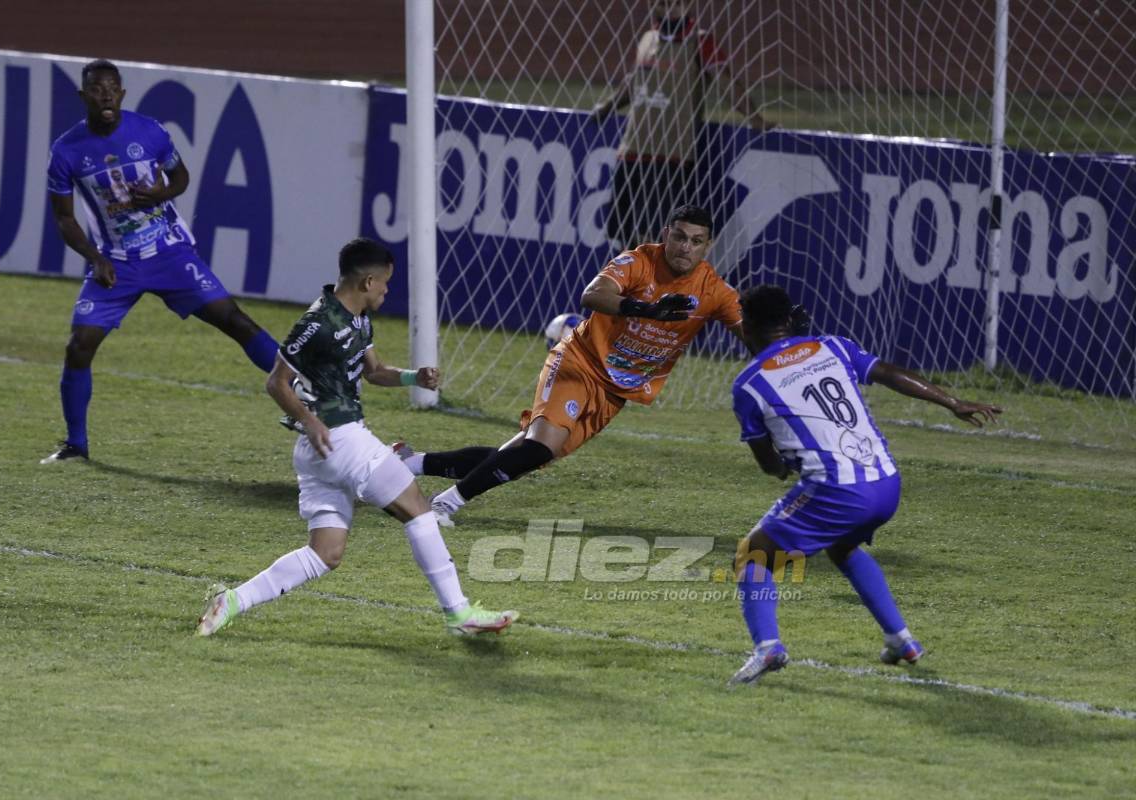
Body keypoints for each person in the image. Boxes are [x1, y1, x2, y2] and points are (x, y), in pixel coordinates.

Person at [196, 238, 517, 638]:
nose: (387, 290)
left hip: (321, 452)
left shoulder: (360, 318)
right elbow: (276, 383)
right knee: (417, 507)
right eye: (385, 283)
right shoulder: (318, 322)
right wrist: (309, 420)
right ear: (367, 281)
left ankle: (234, 601)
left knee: (325, 553)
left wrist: (412, 377)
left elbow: (374, 371)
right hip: (337, 437)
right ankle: (459, 613)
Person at [398, 205, 744, 526]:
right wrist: (646, 309)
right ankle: (445, 504)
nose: (686, 247)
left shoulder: (714, 291)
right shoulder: (639, 261)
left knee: (525, 456)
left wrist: (785, 334)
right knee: (538, 446)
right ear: (666, 233)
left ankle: (411, 463)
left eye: (696, 241)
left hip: (615, 391)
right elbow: (592, 294)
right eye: (680, 237)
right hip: (580, 361)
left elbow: (750, 331)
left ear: (707, 246)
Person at [726, 285, 1003, 685]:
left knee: (752, 554)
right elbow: (889, 372)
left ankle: (768, 648)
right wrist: (952, 403)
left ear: (745, 327)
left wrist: (784, 465)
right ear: (789, 320)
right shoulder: (833, 347)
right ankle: (901, 639)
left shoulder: (749, 385)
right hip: (886, 482)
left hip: (839, 491)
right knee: (842, 546)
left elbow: (769, 466)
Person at [42, 59, 280, 463]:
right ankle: (76, 444)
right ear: (83, 96)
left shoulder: (149, 131)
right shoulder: (66, 151)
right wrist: (94, 257)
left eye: (113, 88)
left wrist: (161, 195)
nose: (107, 95)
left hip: (169, 252)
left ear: (122, 93)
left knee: (234, 320)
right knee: (79, 347)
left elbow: (181, 177)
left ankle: (308, 387)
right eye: (98, 89)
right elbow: (64, 217)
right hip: (117, 262)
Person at [590, 2, 769, 250]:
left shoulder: (700, 41)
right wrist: (608, 107)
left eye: (677, 4)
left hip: (671, 156)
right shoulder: (648, 38)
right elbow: (635, 81)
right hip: (631, 152)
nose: (671, 8)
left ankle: (656, 289)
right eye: (664, 3)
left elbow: (725, 82)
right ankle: (627, 288)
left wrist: (755, 118)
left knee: (660, 239)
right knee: (624, 236)